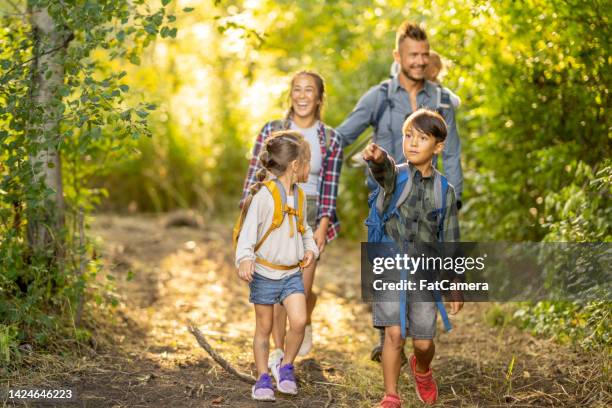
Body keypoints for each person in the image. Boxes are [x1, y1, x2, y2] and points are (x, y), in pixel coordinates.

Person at [240, 71, 343, 364]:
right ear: (290, 94)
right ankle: (280, 353)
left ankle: (305, 319)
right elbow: (254, 175)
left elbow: (330, 189)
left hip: (308, 212)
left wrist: (322, 227)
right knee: (276, 284)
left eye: (309, 90)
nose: (302, 96)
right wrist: (249, 208)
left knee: (300, 288)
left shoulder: (331, 138)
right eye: (296, 89)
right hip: (274, 208)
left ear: (319, 97)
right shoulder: (272, 130)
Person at [363, 109, 463, 407]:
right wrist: (377, 158)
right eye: (409, 136)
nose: (413, 143)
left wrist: (455, 282)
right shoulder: (397, 176)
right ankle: (391, 394)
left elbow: (450, 239)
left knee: (422, 342)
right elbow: (384, 171)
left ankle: (422, 369)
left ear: (438, 146)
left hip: (424, 272)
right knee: (394, 335)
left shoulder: (445, 190)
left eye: (422, 138)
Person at [336, 21, 463, 205]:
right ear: (397, 56)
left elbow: (451, 154)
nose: (420, 62)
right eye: (413, 55)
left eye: (424, 55)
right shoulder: (378, 97)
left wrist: (454, 198)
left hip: (426, 206)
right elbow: (339, 138)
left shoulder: (441, 101)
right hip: (383, 205)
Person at [235, 131, 319, 401]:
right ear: (295, 166)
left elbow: (305, 229)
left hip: (291, 274)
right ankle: (262, 378)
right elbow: (248, 233)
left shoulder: (302, 197)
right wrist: (245, 258)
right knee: (264, 326)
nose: (309, 168)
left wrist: (310, 248)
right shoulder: (264, 196)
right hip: (265, 274)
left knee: (299, 320)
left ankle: (285, 367)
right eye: (306, 162)